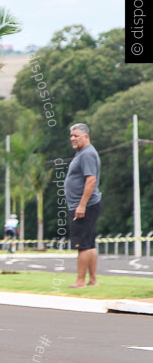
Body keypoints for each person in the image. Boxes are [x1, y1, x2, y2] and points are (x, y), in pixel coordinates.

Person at [66, 123, 102, 287]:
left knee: (82, 245)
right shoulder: (82, 153)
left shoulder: (87, 154)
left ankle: (80, 281)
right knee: (89, 244)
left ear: (86, 137)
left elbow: (91, 180)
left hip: (84, 206)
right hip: (85, 205)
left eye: (76, 136)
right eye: (71, 136)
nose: (73, 139)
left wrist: (81, 205)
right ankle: (93, 280)